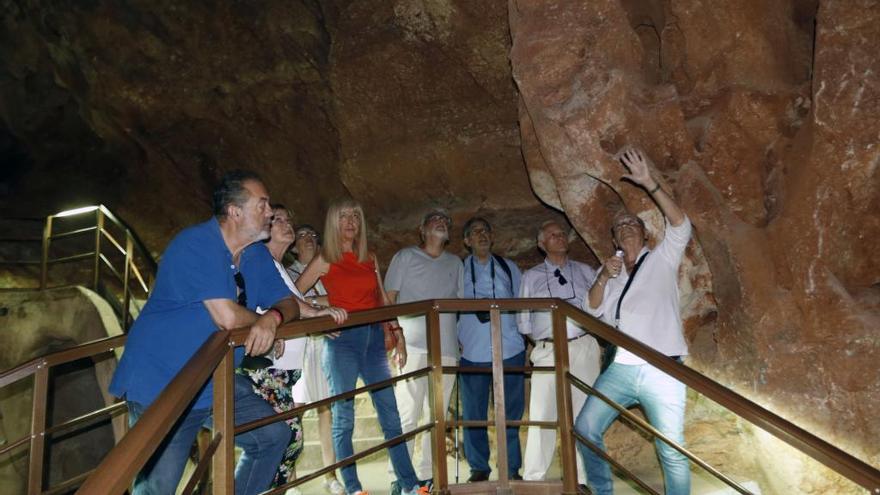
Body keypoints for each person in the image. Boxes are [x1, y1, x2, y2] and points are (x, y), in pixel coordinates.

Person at [109, 171, 298, 495]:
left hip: (216, 378)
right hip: (165, 383)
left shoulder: (253, 253)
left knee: (273, 437)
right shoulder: (196, 244)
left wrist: (274, 318)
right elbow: (225, 317)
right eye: (262, 204)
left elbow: (288, 302)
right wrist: (261, 321)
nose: (270, 212)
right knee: (158, 486)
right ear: (235, 211)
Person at [575, 147, 692, 495]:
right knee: (585, 428)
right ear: (613, 240)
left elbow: (681, 226)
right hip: (623, 366)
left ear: (643, 235)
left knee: (671, 449)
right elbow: (591, 310)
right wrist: (602, 278)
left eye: (632, 224)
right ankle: (602, 491)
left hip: (662, 365)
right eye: (619, 227)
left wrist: (649, 184)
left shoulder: (661, 260)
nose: (626, 228)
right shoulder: (607, 271)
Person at [295, 199, 428, 495]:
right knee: (344, 417)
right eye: (344, 216)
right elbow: (294, 296)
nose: (351, 221)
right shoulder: (324, 258)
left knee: (391, 414)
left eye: (355, 215)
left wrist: (398, 332)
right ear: (333, 222)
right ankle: (353, 487)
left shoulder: (370, 257)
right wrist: (319, 314)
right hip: (342, 342)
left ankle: (410, 484)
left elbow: (381, 299)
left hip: (373, 341)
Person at [237, 205, 348, 492]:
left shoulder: (277, 269)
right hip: (267, 370)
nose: (288, 224)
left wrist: (318, 318)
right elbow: (263, 303)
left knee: (283, 443)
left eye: (290, 219)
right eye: (278, 220)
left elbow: (292, 304)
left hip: (284, 372)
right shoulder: (259, 258)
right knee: (282, 440)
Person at [384, 209, 463, 493]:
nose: (442, 221)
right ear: (422, 229)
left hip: (447, 348)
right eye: (435, 219)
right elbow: (389, 299)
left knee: (437, 415)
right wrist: (396, 337)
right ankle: (399, 474)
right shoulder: (405, 257)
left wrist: (459, 340)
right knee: (407, 412)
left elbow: (460, 304)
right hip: (413, 345)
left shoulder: (455, 263)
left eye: (446, 220)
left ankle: (429, 474)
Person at [518, 220, 599, 485]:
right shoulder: (530, 277)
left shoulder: (586, 271)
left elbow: (599, 306)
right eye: (552, 235)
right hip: (548, 350)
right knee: (542, 413)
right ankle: (533, 478)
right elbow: (523, 321)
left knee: (584, 414)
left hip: (583, 346)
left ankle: (581, 479)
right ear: (542, 244)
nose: (559, 237)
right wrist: (547, 339)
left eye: (562, 233)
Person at [457, 217, 526, 482]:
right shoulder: (459, 269)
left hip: (509, 347)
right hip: (472, 350)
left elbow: (523, 301)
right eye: (475, 232)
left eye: (485, 230)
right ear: (466, 241)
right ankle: (479, 467)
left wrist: (525, 337)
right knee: (474, 412)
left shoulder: (509, 268)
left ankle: (510, 467)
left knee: (510, 411)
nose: (481, 235)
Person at [287, 223, 346, 495]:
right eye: (302, 236)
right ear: (294, 245)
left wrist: (311, 301)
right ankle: (291, 479)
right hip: (299, 347)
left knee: (327, 409)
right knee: (294, 411)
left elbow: (338, 297)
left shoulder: (329, 270)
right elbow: (289, 304)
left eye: (313, 235)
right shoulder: (287, 273)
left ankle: (330, 475)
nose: (308, 239)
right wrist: (319, 302)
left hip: (323, 346)